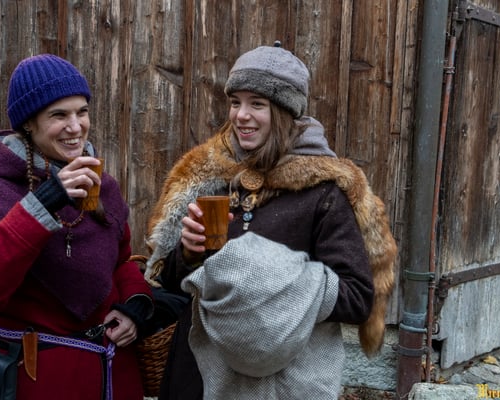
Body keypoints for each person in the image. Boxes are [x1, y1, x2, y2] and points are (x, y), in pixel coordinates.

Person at [144, 42, 398, 399]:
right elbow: (172, 282)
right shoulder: (210, 178)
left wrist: (270, 280)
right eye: (235, 102)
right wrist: (188, 253)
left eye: (257, 104)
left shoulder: (323, 192)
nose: (241, 115)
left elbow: (358, 299)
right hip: (200, 373)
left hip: (282, 381)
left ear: (283, 112)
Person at [0, 54, 153, 400]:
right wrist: (41, 205)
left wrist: (135, 304)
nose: (75, 127)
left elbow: (120, 261)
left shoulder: (103, 185)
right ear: (29, 123)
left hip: (114, 376)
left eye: (81, 112)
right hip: (37, 380)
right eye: (59, 115)